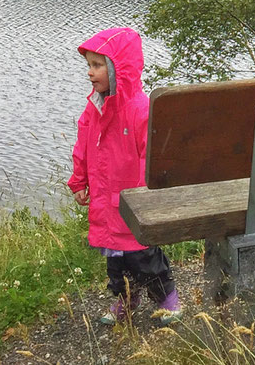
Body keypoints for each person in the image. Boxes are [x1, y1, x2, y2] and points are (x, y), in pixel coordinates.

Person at [67, 27, 181, 326]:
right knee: (115, 261)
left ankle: (168, 299)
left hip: (133, 202)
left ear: (120, 68)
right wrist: (79, 181)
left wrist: (146, 196)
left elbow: (151, 157)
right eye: (89, 66)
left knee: (144, 257)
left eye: (98, 65)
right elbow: (83, 146)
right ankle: (126, 298)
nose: (90, 73)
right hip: (106, 200)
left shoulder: (139, 109)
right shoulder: (95, 108)